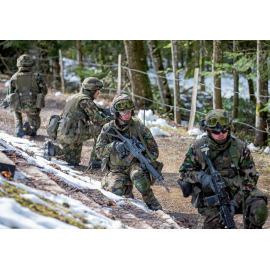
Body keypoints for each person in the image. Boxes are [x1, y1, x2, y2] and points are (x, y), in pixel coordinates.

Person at [179, 109, 268, 229]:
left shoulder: (240, 148)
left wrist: (235, 201)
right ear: (208, 130)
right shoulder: (198, 147)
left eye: (224, 130)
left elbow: (250, 178)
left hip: (238, 193)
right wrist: (201, 177)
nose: (220, 133)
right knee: (212, 226)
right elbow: (184, 172)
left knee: (259, 207)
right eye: (215, 131)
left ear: (229, 128)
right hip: (211, 196)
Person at [95, 94, 162, 210]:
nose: (127, 114)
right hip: (116, 169)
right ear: (116, 113)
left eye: (129, 111)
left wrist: (146, 159)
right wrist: (114, 146)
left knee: (138, 175)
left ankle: (150, 200)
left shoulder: (139, 127)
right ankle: (127, 191)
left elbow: (154, 150)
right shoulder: (108, 128)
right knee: (114, 190)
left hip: (135, 166)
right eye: (123, 112)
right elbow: (98, 152)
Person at [44, 77, 110, 167]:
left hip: (64, 132)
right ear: (92, 90)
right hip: (71, 134)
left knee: (73, 160)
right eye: (98, 90)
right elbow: (98, 121)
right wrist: (110, 121)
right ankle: (96, 160)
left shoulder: (74, 97)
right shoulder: (85, 101)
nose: (98, 93)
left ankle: (52, 149)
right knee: (102, 129)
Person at [7, 54, 48, 137]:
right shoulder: (36, 77)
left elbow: (9, 94)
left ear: (18, 64)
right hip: (33, 106)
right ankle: (29, 130)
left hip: (19, 106)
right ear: (30, 64)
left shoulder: (14, 77)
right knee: (34, 127)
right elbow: (44, 90)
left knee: (16, 112)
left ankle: (18, 128)